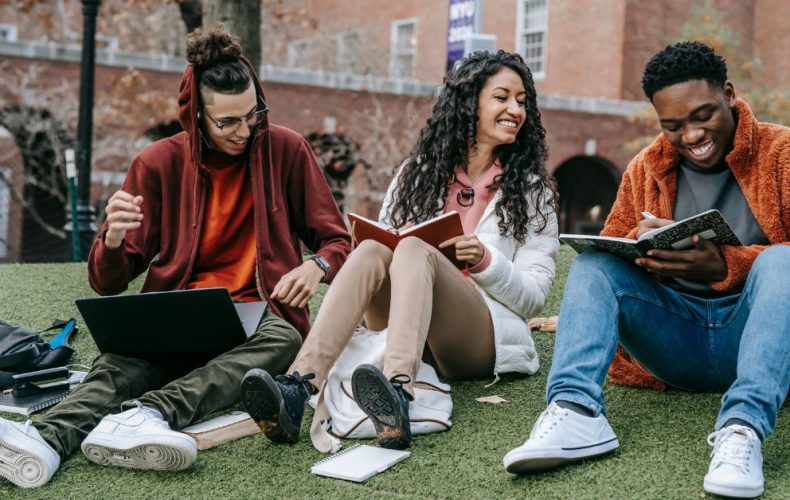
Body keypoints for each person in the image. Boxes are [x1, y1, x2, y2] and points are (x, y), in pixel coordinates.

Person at [0, 26, 351, 488]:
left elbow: (337, 241)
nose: (245, 131)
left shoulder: (286, 149)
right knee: (120, 363)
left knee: (285, 340)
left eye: (253, 114)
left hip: (258, 313)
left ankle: (149, 414)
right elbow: (108, 283)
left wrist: (316, 265)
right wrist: (111, 240)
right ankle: (44, 440)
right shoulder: (157, 163)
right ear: (196, 116)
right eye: (227, 122)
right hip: (178, 308)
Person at [502, 41, 790, 498]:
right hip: (674, 343)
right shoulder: (645, 168)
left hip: (755, 341)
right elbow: (616, 252)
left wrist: (727, 265)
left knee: (783, 261)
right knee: (595, 262)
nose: (692, 136)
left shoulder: (782, 153)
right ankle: (575, 412)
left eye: (703, 116)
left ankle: (743, 430)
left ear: (729, 94)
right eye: (672, 125)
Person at [240, 50, 559, 450]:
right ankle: (297, 387)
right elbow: (384, 253)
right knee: (376, 247)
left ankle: (398, 392)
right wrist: (396, 237)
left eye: (522, 101)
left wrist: (484, 261)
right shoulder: (417, 173)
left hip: (476, 338)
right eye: (502, 97)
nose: (515, 109)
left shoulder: (531, 191)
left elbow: (532, 298)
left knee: (414, 251)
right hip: (403, 324)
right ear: (470, 103)